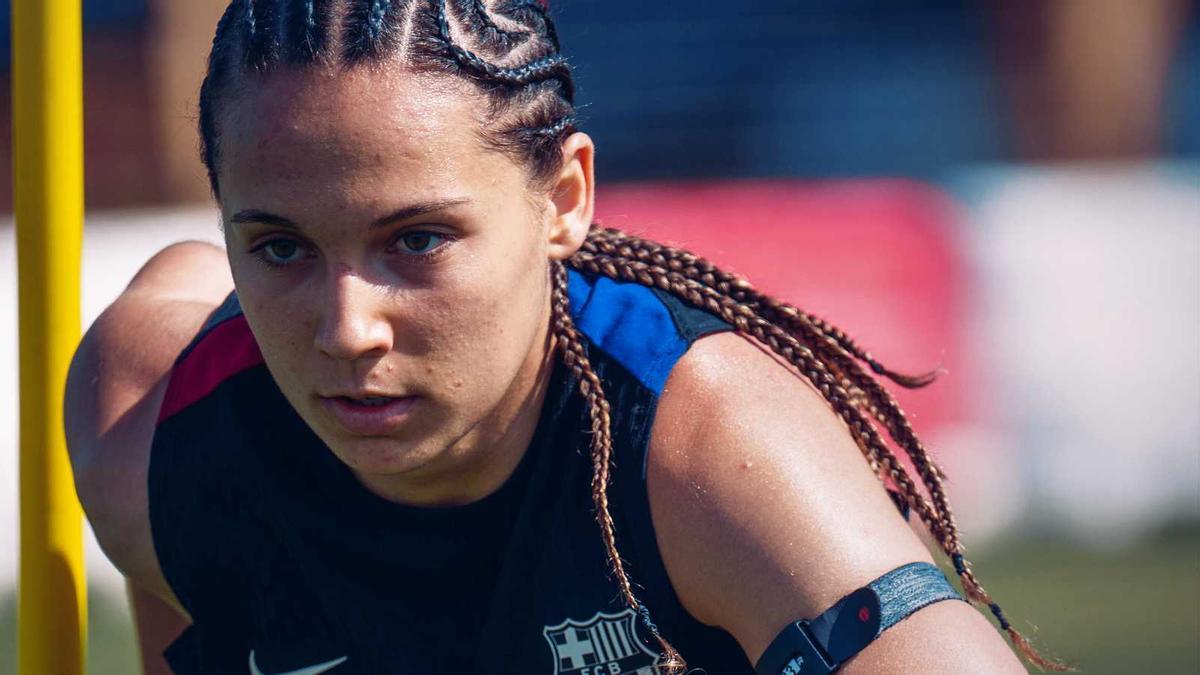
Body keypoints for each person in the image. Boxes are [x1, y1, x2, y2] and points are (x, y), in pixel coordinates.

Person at [65, 1, 1064, 673]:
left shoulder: (709, 452)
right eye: (280, 248)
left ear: (565, 198)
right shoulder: (156, 436)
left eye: (417, 239)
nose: (348, 329)